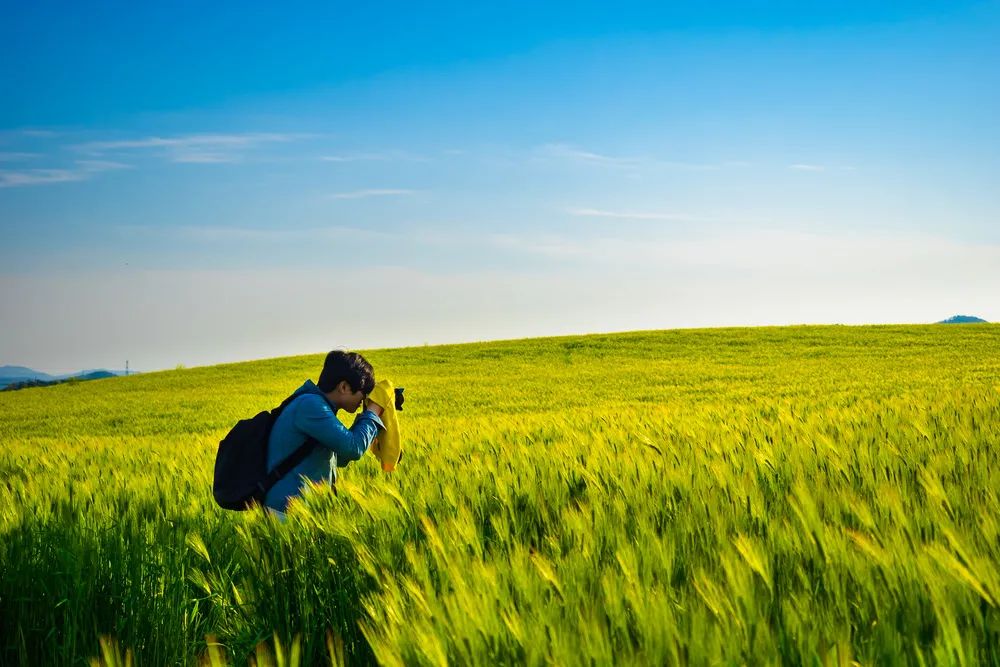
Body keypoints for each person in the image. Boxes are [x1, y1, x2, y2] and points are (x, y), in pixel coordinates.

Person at [264, 350, 385, 519]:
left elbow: (339, 457)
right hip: (286, 511)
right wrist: (375, 410)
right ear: (344, 387)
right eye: (363, 395)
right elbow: (353, 448)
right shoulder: (311, 406)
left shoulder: (316, 406)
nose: (363, 401)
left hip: (297, 509)